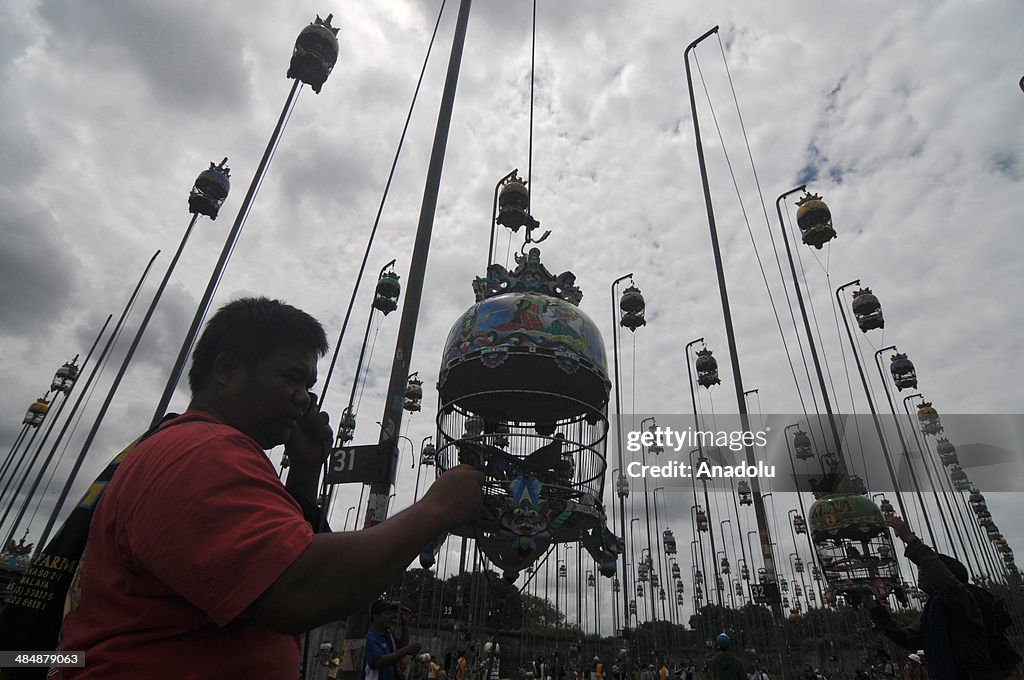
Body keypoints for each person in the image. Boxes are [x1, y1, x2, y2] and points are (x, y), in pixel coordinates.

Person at [53, 297, 484, 678]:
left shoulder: (192, 446)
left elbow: (274, 562)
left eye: (308, 386)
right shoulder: (203, 452)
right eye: (291, 379)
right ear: (227, 370)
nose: (304, 398)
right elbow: (298, 591)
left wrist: (303, 473)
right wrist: (434, 511)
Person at [865, 516, 1021, 680]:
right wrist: (873, 605)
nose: (920, 571)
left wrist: (911, 540)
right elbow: (906, 639)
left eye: (925, 568)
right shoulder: (935, 609)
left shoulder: (965, 599)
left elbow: (948, 585)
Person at [362, 601, 421, 680]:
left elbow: (402, 646)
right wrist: (406, 650)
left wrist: (404, 623)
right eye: (387, 613)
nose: (391, 617)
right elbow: (378, 662)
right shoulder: (370, 637)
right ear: (375, 617)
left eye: (392, 614)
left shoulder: (389, 635)